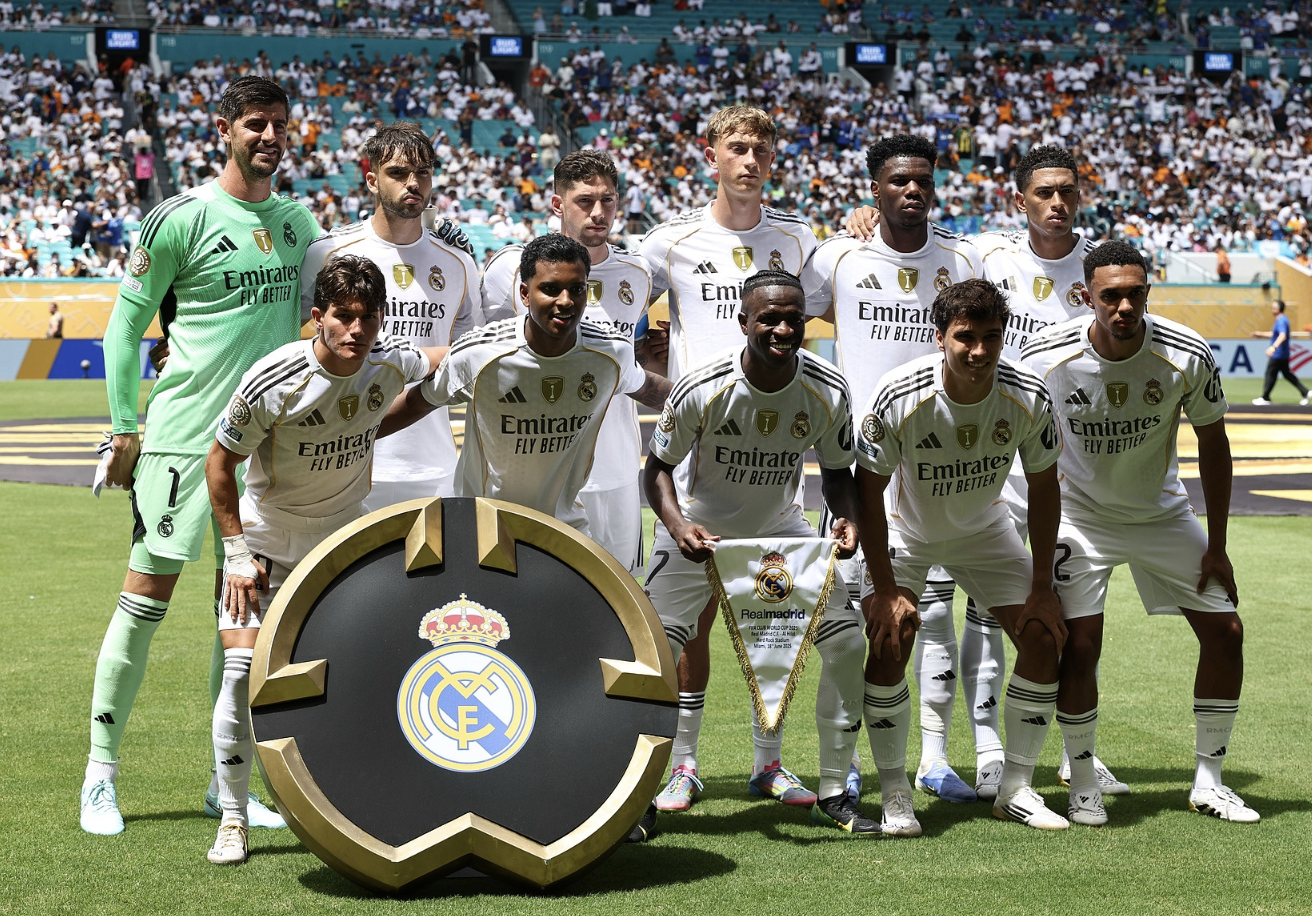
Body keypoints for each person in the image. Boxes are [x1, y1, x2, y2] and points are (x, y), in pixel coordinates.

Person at [841, 143, 1129, 799]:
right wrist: (869, 215)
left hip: (1042, 456)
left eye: (1068, 191)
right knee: (920, 619)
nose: (1057, 203)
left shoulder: (1101, 266)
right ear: (1019, 200)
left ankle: (1019, 758)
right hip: (942, 459)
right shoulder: (985, 256)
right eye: (1044, 192)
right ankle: (922, 759)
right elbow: (913, 235)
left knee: (1036, 620)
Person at [81, 76, 321, 837]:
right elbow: (123, 330)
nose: (270, 137)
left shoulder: (298, 224)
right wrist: (125, 428)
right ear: (224, 129)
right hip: (183, 443)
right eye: (255, 124)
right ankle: (99, 775)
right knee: (145, 602)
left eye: (279, 125)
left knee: (240, 613)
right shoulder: (179, 218)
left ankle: (226, 782)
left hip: (264, 452)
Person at [203, 255, 447, 865]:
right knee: (240, 677)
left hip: (341, 548)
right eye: (343, 316)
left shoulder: (389, 360)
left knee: (361, 672)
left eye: (369, 317)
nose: (356, 330)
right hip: (264, 548)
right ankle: (231, 817)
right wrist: (235, 552)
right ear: (318, 317)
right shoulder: (274, 378)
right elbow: (219, 464)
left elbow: (442, 361)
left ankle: (358, 800)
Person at [1022, 241, 1257, 826]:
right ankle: (1082, 782)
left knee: (1226, 631)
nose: (1124, 306)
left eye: (1134, 294)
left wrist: (1219, 546)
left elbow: (1214, 444)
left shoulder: (1186, 352)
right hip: (1080, 518)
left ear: (1148, 293)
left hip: (1162, 514)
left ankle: (1209, 782)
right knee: (1080, 646)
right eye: (1111, 296)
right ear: (1086, 297)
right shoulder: (1045, 356)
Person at [639, 269, 875, 838]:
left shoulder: (828, 388)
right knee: (651, 656)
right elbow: (658, 470)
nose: (783, 329)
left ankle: (834, 791)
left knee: (847, 644)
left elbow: (838, 474)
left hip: (780, 530)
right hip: (699, 529)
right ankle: (639, 794)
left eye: (794, 318)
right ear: (744, 321)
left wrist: (846, 517)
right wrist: (678, 526)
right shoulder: (702, 386)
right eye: (769, 318)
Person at [639, 106, 819, 811]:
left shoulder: (799, 239)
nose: (749, 160)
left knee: (770, 620)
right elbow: (616, 310)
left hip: (770, 461)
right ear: (709, 154)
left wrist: (863, 223)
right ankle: (684, 765)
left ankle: (768, 763)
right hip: (691, 465)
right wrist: (652, 367)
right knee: (691, 624)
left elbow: (829, 300)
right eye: (736, 147)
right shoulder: (670, 242)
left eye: (761, 149)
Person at [808, 133, 988, 803]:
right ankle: (846, 761)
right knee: (851, 626)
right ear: (875, 190)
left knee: (933, 616)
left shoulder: (963, 257)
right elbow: (788, 315)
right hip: (860, 466)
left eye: (922, 181)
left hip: (941, 465)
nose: (912, 190)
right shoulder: (838, 254)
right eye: (897, 181)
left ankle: (935, 759)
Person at [855, 278, 1068, 834]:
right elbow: (867, 493)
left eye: (991, 337)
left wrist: (1042, 587)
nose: (978, 350)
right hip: (908, 531)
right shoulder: (900, 393)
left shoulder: (1028, 394)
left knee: (1044, 637)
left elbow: (1045, 489)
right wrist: (884, 589)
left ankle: (1015, 788)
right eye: (965, 337)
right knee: (890, 640)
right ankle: (895, 791)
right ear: (939, 337)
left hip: (985, 531)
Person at [382, 233, 670, 531]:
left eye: (576, 289)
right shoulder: (480, 354)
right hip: (483, 527)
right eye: (550, 289)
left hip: (566, 530)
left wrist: (699, 409)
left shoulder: (610, 353)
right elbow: (416, 403)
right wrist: (354, 438)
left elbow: (653, 391)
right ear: (524, 293)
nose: (565, 301)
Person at [481, 150, 655, 572]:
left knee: (620, 593)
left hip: (615, 469)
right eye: (585, 201)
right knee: (536, 590)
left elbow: (633, 359)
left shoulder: (638, 273)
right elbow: (486, 352)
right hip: (536, 471)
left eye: (608, 200)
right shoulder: (510, 268)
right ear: (558, 203)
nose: (598, 212)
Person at [301, 122, 481, 512]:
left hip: (433, 463)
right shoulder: (327, 253)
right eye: (398, 173)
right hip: (343, 459)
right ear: (372, 180)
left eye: (422, 173)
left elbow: (469, 356)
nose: (412, 183)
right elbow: (298, 345)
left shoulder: (460, 263)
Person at [1250, 300, 1309, 405]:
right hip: (1282, 353)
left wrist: (1273, 348)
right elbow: (1274, 334)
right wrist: (1260, 334)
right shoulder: (1280, 320)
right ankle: (1305, 392)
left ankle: (1266, 397)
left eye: (1273, 308)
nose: (1271, 310)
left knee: (1270, 373)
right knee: (1286, 374)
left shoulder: (1282, 320)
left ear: (1277, 309)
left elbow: (1282, 336)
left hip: (1279, 353)